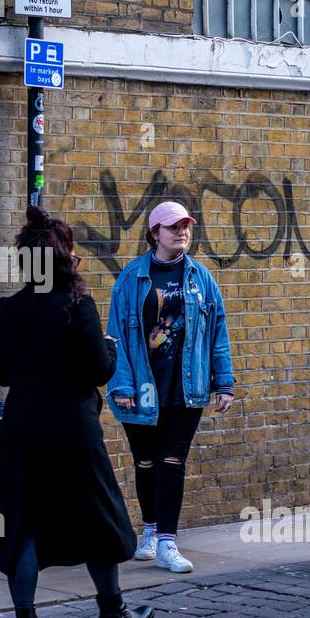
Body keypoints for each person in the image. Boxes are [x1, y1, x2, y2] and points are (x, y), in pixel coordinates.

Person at [0, 205, 154, 618]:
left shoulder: (7, 310)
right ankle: (111, 614)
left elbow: (2, 374)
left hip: (22, 431)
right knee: (97, 516)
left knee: (21, 527)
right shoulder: (77, 306)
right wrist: (107, 348)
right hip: (73, 430)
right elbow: (99, 371)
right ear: (66, 260)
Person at [106, 201, 236, 573]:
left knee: (172, 461)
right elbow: (115, 336)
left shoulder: (201, 278)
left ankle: (167, 541)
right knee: (145, 462)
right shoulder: (131, 279)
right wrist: (122, 385)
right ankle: (148, 531)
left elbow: (218, 333)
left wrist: (223, 382)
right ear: (154, 233)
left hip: (186, 387)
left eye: (186, 226)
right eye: (172, 227)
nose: (181, 232)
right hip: (142, 388)